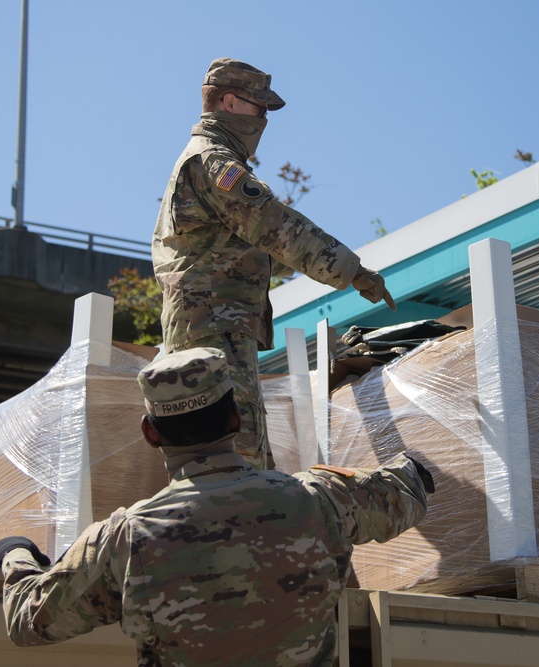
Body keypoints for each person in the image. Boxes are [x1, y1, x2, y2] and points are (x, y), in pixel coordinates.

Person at [0, 347, 432, 666]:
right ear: (236, 419)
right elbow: (396, 499)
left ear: (150, 433)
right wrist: (414, 468)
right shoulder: (317, 498)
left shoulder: (126, 538)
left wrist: (16, 553)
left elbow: (28, 622)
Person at [153, 57, 396, 470]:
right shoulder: (213, 161)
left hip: (210, 323)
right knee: (236, 455)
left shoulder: (208, 160)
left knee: (232, 454)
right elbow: (273, 224)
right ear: (229, 102)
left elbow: (255, 249)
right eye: (258, 106)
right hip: (214, 325)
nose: (264, 118)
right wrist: (350, 269)